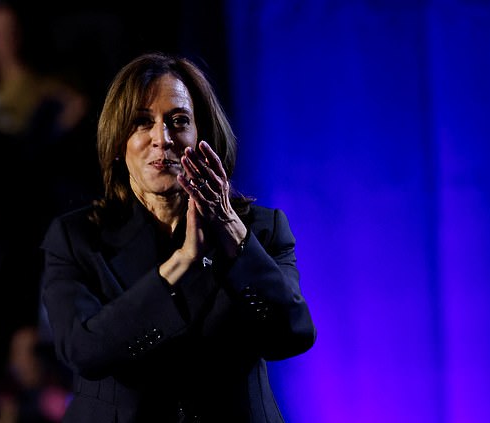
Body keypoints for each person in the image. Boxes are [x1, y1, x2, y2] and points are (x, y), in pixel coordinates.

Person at [40, 52, 316, 423]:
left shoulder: (260, 230)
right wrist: (181, 263)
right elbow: (85, 351)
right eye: (141, 122)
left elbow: (293, 334)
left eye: (179, 121)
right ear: (119, 143)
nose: (162, 139)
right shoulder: (77, 238)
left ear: (203, 136)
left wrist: (232, 233)